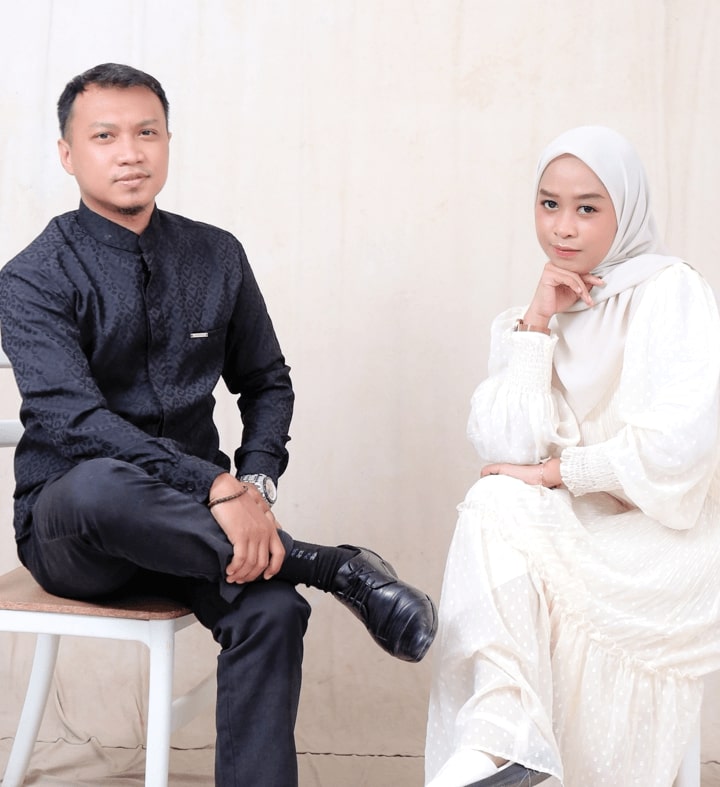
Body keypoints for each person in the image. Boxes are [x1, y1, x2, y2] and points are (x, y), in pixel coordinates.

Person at [0, 63, 438, 787]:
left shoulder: (216, 255)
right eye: (105, 136)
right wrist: (215, 487)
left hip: (198, 527)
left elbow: (266, 381)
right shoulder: (32, 277)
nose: (130, 153)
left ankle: (299, 579)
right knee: (101, 482)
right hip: (77, 529)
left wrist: (254, 480)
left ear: (168, 142)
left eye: (147, 133)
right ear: (67, 154)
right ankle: (333, 566)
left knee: (273, 609)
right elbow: (73, 421)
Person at [424, 126, 720, 787]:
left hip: (670, 542)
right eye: (549, 204)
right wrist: (536, 324)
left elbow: (678, 450)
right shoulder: (537, 314)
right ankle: (508, 735)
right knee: (491, 499)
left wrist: (558, 473)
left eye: (588, 207)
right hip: (579, 530)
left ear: (625, 209)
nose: (563, 227)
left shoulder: (672, 292)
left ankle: (503, 740)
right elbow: (505, 450)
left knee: (502, 505)